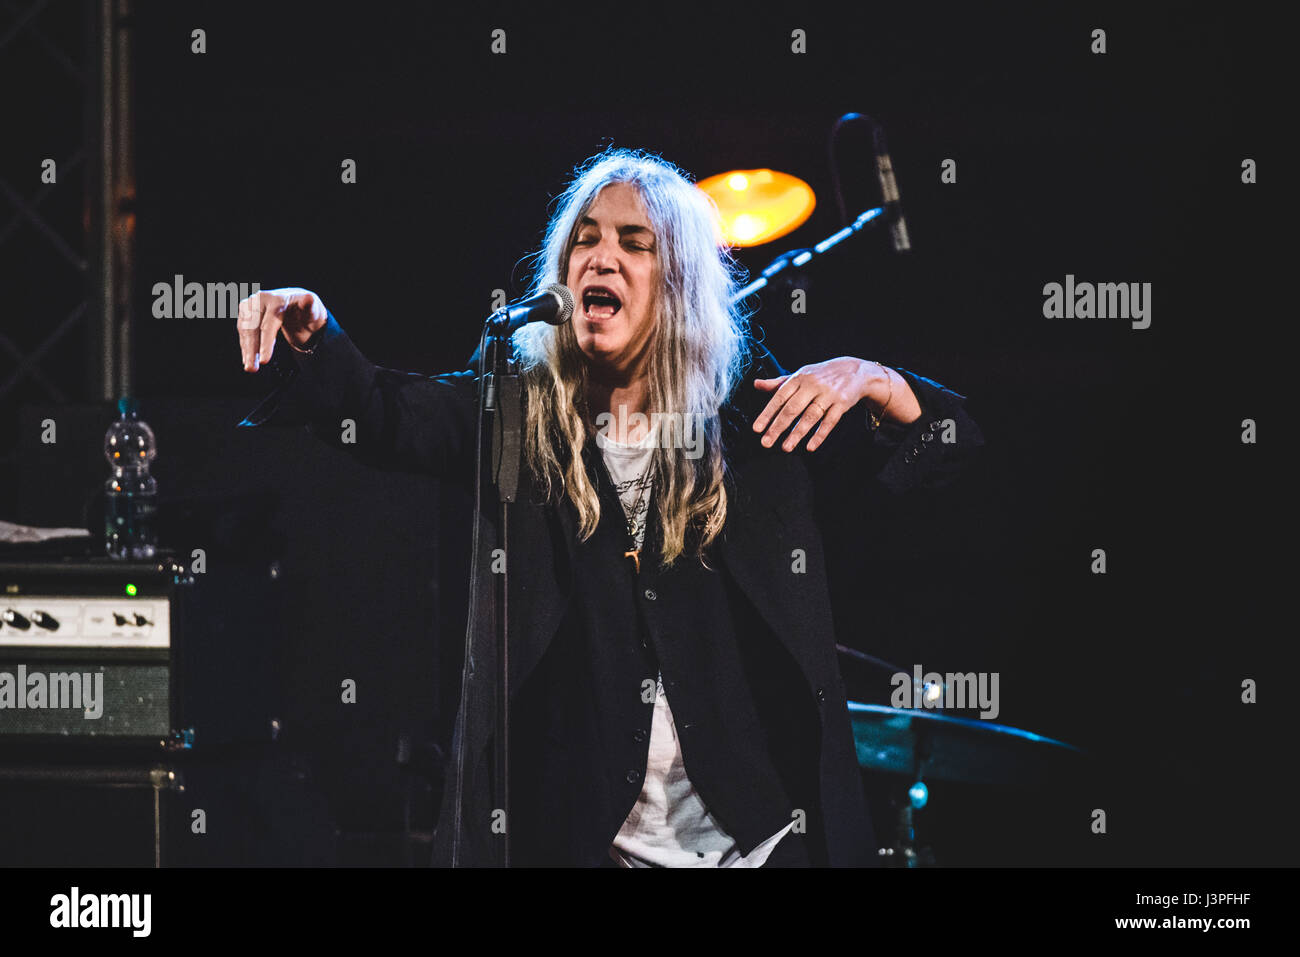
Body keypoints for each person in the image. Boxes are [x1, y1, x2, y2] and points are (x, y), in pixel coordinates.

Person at [236, 147, 983, 867]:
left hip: (758, 845)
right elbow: (384, 411)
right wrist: (317, 335)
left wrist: (879, 380)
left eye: (635, 243)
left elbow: (953, 448)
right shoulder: (516, 419)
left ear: (679, 282)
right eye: (585, 241)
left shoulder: (752, 428)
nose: (601, 257)